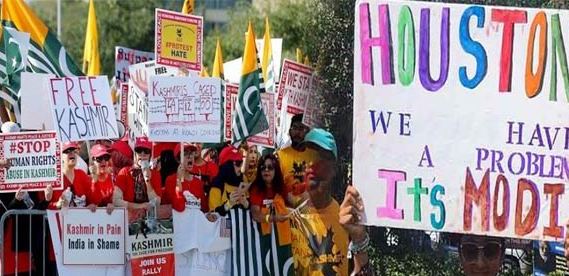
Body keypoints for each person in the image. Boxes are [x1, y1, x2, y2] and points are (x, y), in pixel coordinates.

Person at [276, 114, 319, 206]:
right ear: (289, 131)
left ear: (307, 132)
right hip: (287, 210)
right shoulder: (280, 155)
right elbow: (276, 185)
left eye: (301, 129)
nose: (297, 132)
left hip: (310, 210)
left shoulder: (314, 155)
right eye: (294, 128)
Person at [114, 137, 162, 210]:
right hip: (130, 217)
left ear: (150, 155)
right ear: (135, 154)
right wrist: (139, 206)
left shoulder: (155, 174)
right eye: (139, 151)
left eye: (146, 151)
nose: (142, 154)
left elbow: (157, 203)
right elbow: (116, 201)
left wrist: (147, 181)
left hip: (149, 217)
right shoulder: (125, 172)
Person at [163, 143, 210, 213]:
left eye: (191, 154)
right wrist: (178, 181)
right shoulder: (171, 180)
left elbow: (204, 209)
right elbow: (179, 207)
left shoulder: (198, 182)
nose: (190, 157)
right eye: (185, 154)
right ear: (178, 160)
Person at [249, 154, 289, 224]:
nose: (266, 170)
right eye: (263, 167)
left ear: (276, 170)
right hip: (263, 232)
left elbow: (293, 202)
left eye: (270, 167)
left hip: (283, 231)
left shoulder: (281, 187)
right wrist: (273, 218)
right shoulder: (256, 189)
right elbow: (256, 215)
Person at [209, 146, 248, 216]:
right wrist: (229, 204)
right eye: (238, 163)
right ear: (228, 166)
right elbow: (213, 214)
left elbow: (252, 208)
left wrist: (246, 203)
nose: (241, 167)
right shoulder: (217, 185)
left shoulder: (243, 180)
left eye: (241, 163)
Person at [89, 144, 115, 214]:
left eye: (106, 158)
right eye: (99, 158)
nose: (103, 161)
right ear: (92, 161)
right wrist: (94, 181)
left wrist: (114, 204)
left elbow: (119, 200)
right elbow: (94, 201)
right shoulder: (87, 180)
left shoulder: (114, 178)